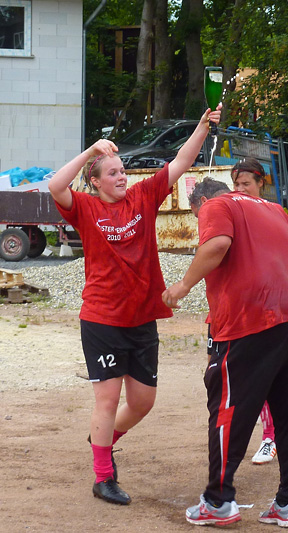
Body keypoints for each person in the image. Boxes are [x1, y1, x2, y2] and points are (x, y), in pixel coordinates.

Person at [48, 104, 222, 506]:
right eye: (112, 173)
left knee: (142, 402)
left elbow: (181, 162)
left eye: (123, 170)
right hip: (102, 318)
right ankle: (103, 476)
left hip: (142, 317)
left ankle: (101, 440)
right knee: (107, 400)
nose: (121, 176)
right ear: (95, 182)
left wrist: (200, 127)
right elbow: (56, 186)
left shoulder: (143, 196)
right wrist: (92, 151)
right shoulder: (86, 207)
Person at [162, 173, 288, 528]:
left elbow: (217, 244)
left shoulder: (216, 205)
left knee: (229, 407)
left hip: (257, 316)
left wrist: (183, 284)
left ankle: (218, 501)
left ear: (200, 203)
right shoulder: (270, 207)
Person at [189, 173, 277, 466]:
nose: (240, 191)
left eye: (245, 185)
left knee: (257, 377)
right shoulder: (227, 217)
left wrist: (182, 285)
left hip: (252, 315)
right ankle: (226, 440)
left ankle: (269, 437)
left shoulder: (251, 215)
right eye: (236, 185)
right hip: (221, 316)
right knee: (216, 377)